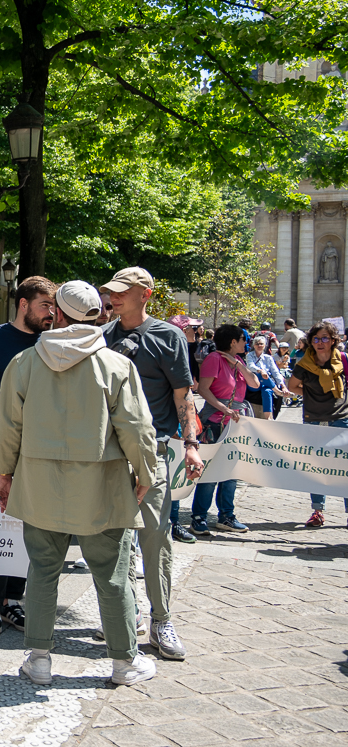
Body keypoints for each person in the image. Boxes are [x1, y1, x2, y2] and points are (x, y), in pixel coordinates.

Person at [0, 282, 158, 687]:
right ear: (98, 315)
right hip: (101, 484)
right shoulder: (117, 365)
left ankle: (39, 660)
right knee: (114, 574)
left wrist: (4, 473)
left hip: (39, 481)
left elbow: (8, 427)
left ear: (58, 315)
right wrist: (145, 474)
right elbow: (137, 429)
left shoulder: (24, 362)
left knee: (42, 571)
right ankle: (123, 663)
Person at [101, 266, 204, 662]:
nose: (114, 297)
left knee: (155, 538)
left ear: (145, 293)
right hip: (109, 455)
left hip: (153, 452)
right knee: (117, 538)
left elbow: (184, 395)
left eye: (122, 291)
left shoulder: (168, 336)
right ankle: (128, 615)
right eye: (111, 291)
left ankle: (162, 618)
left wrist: (191, 444)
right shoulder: (103, 336)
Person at [0, 275, 57, 643]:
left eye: (54, 307)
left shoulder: (52, 345)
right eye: (44, 306)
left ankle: (14, 600)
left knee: (24, 527)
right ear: (23, 304)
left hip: (37, 452)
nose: (51, 314)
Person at [190, 324, 259, 537]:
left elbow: (254, 383)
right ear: (232, 342)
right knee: (210, 471)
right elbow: (203, 388)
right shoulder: (213, 359)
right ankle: (199, 516)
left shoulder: (237, 361)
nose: (245, 343)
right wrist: (224, 408)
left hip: (235, 422)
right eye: (242, 339)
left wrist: (238, 366)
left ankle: (226, 516)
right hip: (215, 421)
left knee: (231, 471)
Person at [286, 321, 348, 528]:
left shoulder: (344, 361)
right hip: (313, 419)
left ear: (332, 341)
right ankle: (317, 511)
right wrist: (312, 396)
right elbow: (292, 386)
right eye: (316, 339)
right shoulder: (304, 364)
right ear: (311, 342)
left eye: (324, 338)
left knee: (344, 468)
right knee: (316, 468)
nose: (320, 343)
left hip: (341, 419)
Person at [246, 333, 290, 419]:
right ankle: (277, 390)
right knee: (262, 376)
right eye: (257, 344)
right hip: (254, 382)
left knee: (267, 391)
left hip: (266, 383)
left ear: (265, 345)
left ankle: (268, 418)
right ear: (254, 345)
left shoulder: (268, 358)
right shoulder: (249, 355)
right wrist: (261, 371)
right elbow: (251, 366)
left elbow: (275, 372)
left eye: (261, 344)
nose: (259, 345)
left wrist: (283, 385)